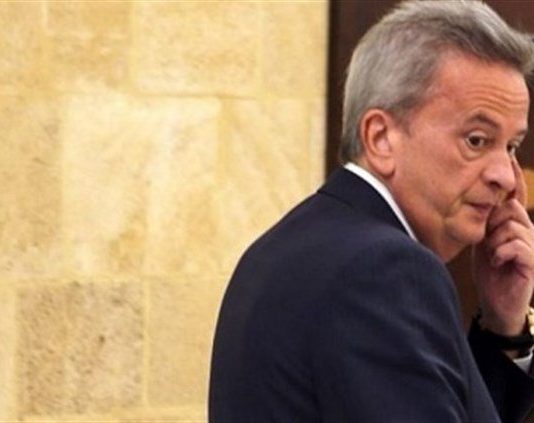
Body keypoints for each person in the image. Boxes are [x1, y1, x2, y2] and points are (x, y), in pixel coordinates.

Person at [209, 1, 534, 421]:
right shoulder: (386, 270)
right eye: (476, 140)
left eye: (511, 146)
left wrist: (503, 326)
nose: (505, 176)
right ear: (380, 138)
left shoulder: (296, 244)